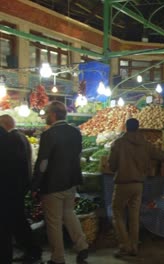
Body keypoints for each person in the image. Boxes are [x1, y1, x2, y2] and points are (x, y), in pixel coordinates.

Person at [109, 118, 164, 258]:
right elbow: (163, 156)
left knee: (118, 213)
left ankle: (124, 245)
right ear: (138, 128)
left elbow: (112, 165)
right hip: (138, 184)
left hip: (123, 184)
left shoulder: (118, 143)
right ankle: (134, 246)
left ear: (126, 128)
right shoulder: (145, 144)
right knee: (134, 215)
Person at [32, 101, 88, 264]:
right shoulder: (75, 132)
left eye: (47, 113)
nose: (45, 117)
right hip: (71, 182)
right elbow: (78, 157)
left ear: (53, 115)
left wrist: (35, 185)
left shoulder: (49, 134)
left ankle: (58, 258)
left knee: (54, 222)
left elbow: (43, 163)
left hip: (53, 184)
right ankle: (82, 245)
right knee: (69, 214)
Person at [0, 115, 42, 264]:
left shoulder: (11, 139)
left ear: (4, 125)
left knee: (9, 224)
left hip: (10, 189)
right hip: (18, 187)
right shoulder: (21, 138)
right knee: (18, 222)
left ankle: (16, 254)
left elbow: (11, 166)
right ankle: (32, 251)